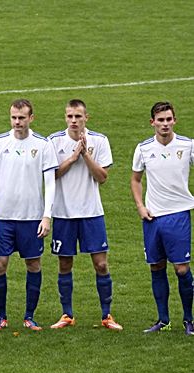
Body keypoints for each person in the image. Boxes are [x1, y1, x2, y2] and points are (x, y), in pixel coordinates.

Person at [0, 98, 58, 332]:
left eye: (22, 118)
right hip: (2, 217)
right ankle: (1, 317)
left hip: (31, 217)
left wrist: (47, 216)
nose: (17, 122)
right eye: (14, 118)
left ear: (31, 118)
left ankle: (29, 317)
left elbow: (50, 183)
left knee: (33, 264)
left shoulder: (43, 145)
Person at [48, 100, 121, 330]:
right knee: (64, 264)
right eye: (70, 116)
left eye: (78, 116)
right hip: (63, 213)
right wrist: (72, 157)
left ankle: (107, 315)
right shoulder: (53, 141)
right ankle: (67, 314)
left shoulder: (99, 140)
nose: (73, 120)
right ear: (65, 117)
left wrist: (86, 155)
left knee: (101, 264)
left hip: (92, 212)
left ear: (86, 118)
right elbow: (51, 175)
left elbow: (102, 177)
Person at [131, 101, 194, 335]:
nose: (165, 124)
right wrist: (140, 206)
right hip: (152, 218)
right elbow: (135, 179)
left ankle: (189, 320)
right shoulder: (143, 148)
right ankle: (163, 320)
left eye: (168, 119)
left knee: (181, 269)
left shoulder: (187, 145)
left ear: (174, 120)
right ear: (153, 122)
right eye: (160, 120)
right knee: (156, 266)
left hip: (178, 215)